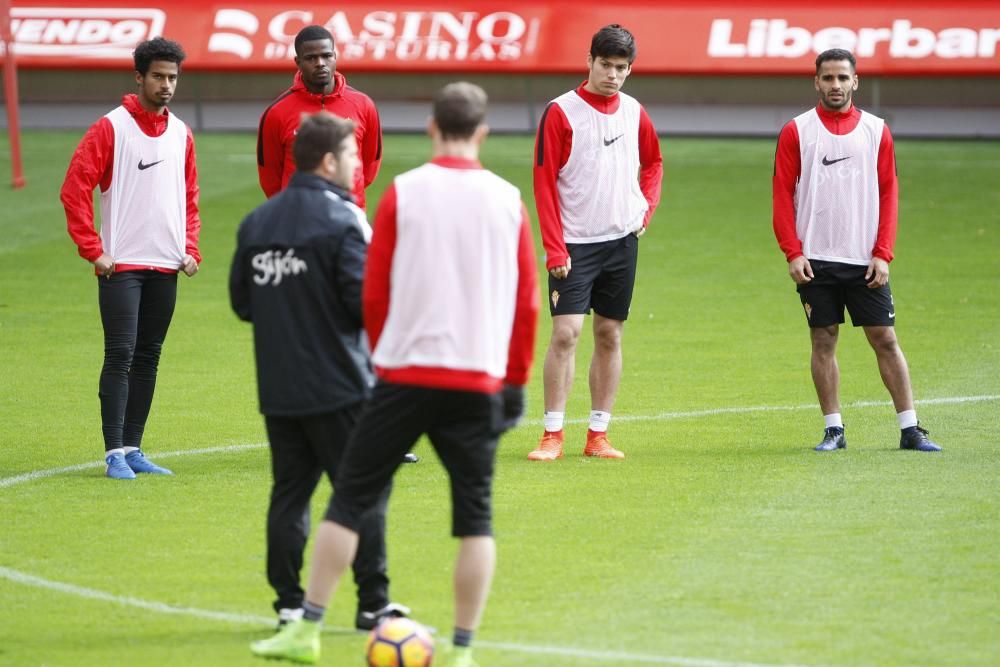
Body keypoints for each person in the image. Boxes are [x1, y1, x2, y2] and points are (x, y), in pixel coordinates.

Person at [250, 82, 540, 667]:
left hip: (404, 376)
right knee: (475, 519)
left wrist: (381, 360)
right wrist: (512, 382)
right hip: (477, 378)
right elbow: (527, 303)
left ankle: (305, 630)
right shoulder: (508, 200)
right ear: (482, 133)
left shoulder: (401, 193)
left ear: (432, 127)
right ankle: (462, 650)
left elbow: (376, 293)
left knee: (349, 500)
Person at [230, 112, 409, 632]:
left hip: (280, 386)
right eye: (353, 154)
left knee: (290, 492)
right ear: (329, 161)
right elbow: (364, 304)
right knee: (363, 491)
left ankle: (288, 602)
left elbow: (244, 303)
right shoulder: (345, 218)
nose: (358, 164)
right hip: (340, 386)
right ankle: (372, 603)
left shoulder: (257, 221)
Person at [772, 48, 941, 453]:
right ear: (816, 81)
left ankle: (910, 428)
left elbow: (889, 192)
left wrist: (884, 252)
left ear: (855, 82)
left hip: (865, 259)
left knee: (885, 339)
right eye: (827, 78)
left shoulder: (876, 130)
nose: (835, 85)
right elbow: (781, 193)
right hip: (816, 260)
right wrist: (793, 252)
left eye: (842, 78)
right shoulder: (797, 130)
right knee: (823, 340)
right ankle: (834, 429)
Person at [61, 37, 201, 480]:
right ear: (138, 77)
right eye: (158, 76)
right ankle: (113, 454)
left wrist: (191, 248)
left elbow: (189, 198)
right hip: (120, 266)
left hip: (166, 265)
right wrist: (93, 250)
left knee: (148, 356)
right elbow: (74, 188)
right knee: (120, 355)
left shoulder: (181, 133)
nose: (166, 85)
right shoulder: (111, 128)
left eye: (173, 77)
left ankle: (134, 446)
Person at [527, 24, 662, 462]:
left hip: (621, 242)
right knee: (566, 333)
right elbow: (544, 183)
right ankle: (552, 434)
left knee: (609, 334)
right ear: (590, 61)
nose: (613, 75)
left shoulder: (634, 111)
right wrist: (554, 247)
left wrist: (645, 210)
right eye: (606, 65)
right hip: (573, 244)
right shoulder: (560, 112)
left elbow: (654, 162)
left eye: (622, 68)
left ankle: (598, 434)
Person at [257, 24, 382, 210]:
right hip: (298, 219)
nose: (320, 63)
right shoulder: (276, 113)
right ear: (297, 62)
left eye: (326, 55)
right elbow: (270, 178)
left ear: (335, 56)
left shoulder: (364, 105)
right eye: (311, 58)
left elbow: (369, 167)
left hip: (349, 214)